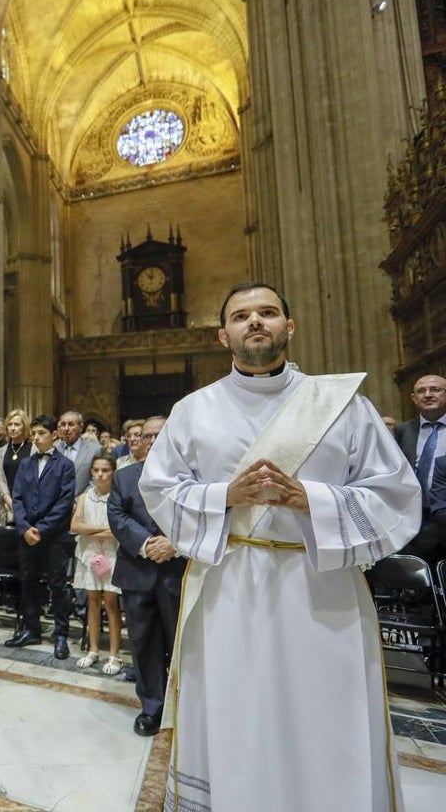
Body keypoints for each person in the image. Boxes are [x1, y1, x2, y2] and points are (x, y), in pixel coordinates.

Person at [138, 282, 420, 812]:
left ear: (290, 326)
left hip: (321, 587)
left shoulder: (343, 407)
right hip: (231, 584)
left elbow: (396, 494)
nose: (256, 322)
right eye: (241, 316)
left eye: (267, 312)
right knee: (240, 714)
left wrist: (310, 499)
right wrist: (226, 494)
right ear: (224, 335)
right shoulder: (194, 410)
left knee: (327, 716)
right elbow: (159, 488)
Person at [107, 414, 183, 737]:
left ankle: (184, 707)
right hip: (138, 571)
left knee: (182, 645)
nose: (152, 440)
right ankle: (152, 707)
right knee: (144, 643)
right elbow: (116, 514)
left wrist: (175, 543)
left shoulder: (188, 476)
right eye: (147, 436)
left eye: (159, 435)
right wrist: (146, 543)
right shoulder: (124, 477)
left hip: (176, 571)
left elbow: (199, 514)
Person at [6, 414, 76, 657]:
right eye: (34, 433)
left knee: (57, 584)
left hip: (54, 535)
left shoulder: (65, 465)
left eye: (41, 433)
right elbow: (17, 498)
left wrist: (42, 529)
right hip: (27, 534)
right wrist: (24, 528)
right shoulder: (25, 463)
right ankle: (31, 629)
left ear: (54, 435)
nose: (35, 438)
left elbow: (65, 502)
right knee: (28, 582)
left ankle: (60, 635)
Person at [70, 452, 123, 675]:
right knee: (92, 600)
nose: (100, 475)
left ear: (113, 472)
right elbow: (75, 526)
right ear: (91, 471)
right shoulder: (84, 497)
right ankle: (93, 650)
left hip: (112, 553)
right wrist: (101, 530)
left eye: (105, 470)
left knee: (110, 603)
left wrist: (90, 529)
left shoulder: (118, 497)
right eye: (96, 470)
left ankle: (114, 654)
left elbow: (118, 530)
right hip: (90, 552)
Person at [393, 373, 446, 565]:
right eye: (421, 391)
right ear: (414, 399)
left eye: (436, 390)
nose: (428, 394)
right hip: (416, 518)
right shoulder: (403, 430)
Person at [0, 409, 30, 526]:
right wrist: (10, 502)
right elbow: (0, 480)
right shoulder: (2, 451)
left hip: (28, 504)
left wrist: (20, 504)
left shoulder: (33, 449)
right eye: (10, 424)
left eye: (17, 424)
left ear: (24, 427)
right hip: (6, 505)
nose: (13, 428)